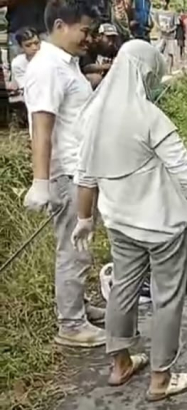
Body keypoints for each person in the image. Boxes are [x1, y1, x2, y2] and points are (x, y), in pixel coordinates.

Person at [70, 40, 187, 402]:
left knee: (123, 289)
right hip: (163, 227)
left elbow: (85, 177)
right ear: (144, 73)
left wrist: (84, 219)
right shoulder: (148, 116)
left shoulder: (91, 114)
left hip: (120, 224)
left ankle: (120, 363)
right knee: (167, 298)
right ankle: (160, 379)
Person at [22, 0, 103, 348]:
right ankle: (71, 325)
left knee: (82, 244)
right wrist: (41, 181)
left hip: (80, 170)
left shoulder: (67, 65)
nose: (89, 39)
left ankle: (78, 305)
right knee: (73, 248)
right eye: (85, 31)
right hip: (66, 172)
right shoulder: (47, 68)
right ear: (60, 25)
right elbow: (43, 124)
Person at [80, 23, 120, 88]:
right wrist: (105, 66)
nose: (111, 42)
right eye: (108, 38)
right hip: (89, 81)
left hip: (109, 82)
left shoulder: (115, 50)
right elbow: (86, 68)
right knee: (96, 78)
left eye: (113, 38)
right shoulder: (91, 48)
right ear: (99, 36)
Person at [154, 0, 179, 72]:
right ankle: (158, 70)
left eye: (164, 1)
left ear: (167, 2)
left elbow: (176, 25)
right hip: (161, 35)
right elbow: (155, 22)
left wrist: (170, 30)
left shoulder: (173, 13)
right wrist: (160, 28)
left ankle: (169, 70)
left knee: (170, 53)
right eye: (161, 1)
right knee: (158, 52)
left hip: (170, 36)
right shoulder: (157, 12)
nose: (162, 3)